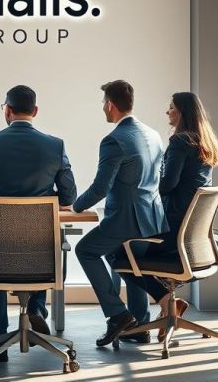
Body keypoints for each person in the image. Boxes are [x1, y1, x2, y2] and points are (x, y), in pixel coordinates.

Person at [0, 85, 77, 361]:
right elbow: (69, 195)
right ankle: (37, 307)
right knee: (40, 242)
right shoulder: (55, 145)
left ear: (7, 109)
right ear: (35, 111)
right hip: (41, 252)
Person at [72, 80, 167, 347]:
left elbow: (101, 187)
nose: (103, 108)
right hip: (153, 218)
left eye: (103, 103)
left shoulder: (114, 140)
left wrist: (76, 206)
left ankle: (117, 315)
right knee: (126, 258)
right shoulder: (153, 134)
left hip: (127, 220)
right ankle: (139, 326)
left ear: (110, 105)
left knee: (86, 251)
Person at [120, 91, 218, 340]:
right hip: (193, 237)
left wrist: (144, 182)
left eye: (171, 108)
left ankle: (166, 302)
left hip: (173, 229)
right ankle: (167, 303)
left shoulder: (180, 141)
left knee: (119, 255)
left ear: (182, 113)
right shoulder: (204, 142)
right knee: (128, 251)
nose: (168, 112)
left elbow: (168, 185)